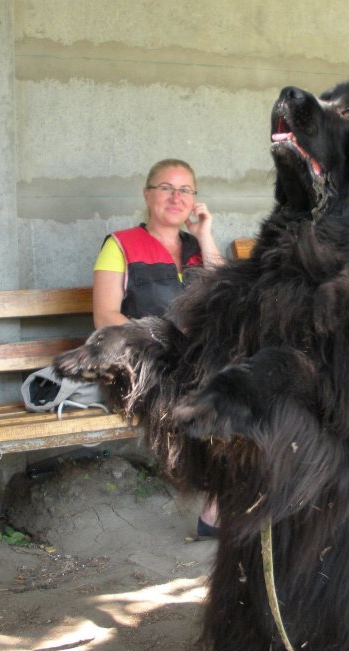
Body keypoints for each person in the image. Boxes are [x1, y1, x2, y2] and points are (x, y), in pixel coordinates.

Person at [93, 158, 224, 537]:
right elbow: (104, 316)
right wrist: (166, 338)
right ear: (147, 194)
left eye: (185, 190)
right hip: (139, 363)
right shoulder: (120, 244)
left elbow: (223, 299)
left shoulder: (198, 248)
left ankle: (219, 507)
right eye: (166, 187)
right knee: (211, 395)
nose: (175, 196)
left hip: (194, 364)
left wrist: (205, 235)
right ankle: (218, 508)